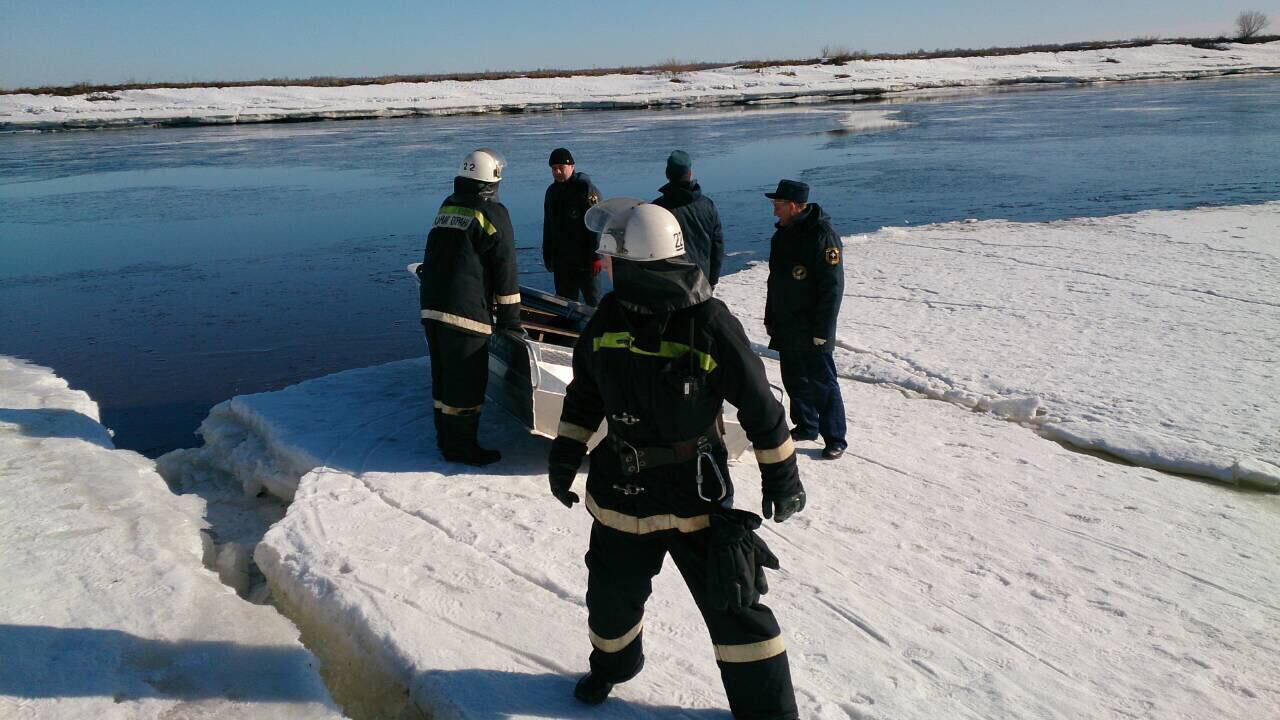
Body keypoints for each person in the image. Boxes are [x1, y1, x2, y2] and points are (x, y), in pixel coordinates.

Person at [547, 198, 806, 719]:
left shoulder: (709, 322)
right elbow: (584, 395)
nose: (605, 267)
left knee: (737, 607)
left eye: (612, 260)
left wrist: (782, 477)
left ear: (637, 265)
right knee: (610, 603)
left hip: (698, 498)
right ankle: (612, 669)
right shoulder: (607, 320)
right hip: (621, 493)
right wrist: (566, 450)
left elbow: (760, 405)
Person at [418, 147, 522, 466]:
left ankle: (445, 441)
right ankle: (462, 449)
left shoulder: (448, 205)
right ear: (491, 182)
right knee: (465, 385)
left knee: (443, 380)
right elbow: (505, 273)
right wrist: (510, 322)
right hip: (464, 314)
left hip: (432, 306)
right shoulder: (494, 213)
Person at [763, 179, 847, 460]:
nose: (775, 211)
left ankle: (835, 438)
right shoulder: (783, 235)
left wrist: (823, 330)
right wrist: (771, 317)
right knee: (794, 378)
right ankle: (806, 425)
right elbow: (775, 282)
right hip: (787, 323)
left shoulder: (822, 236)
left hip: (812, 326)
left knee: (823, 383)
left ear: (795, 206)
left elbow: (831, 289)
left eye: (778, 205)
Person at [653, 150, 725, 288]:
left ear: (667, 174)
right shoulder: (708, 205)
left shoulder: (657, 210)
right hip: (701, 282)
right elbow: (717, 246)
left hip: (670, 285)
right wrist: (712, 280)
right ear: (690, 174)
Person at [543, 147, 603, 305]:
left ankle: (598, 328)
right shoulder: (552, 192)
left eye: (561, 168)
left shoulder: (585, 189)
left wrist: (597, 256)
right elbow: (548, 226)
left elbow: (597, 225)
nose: (557, 172)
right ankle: (569, 329)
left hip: (586, 260)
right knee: (564, 303)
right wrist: (547, 254)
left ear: (572, 167)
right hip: (563, 261)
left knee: (593, 302)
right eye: (554, 169)